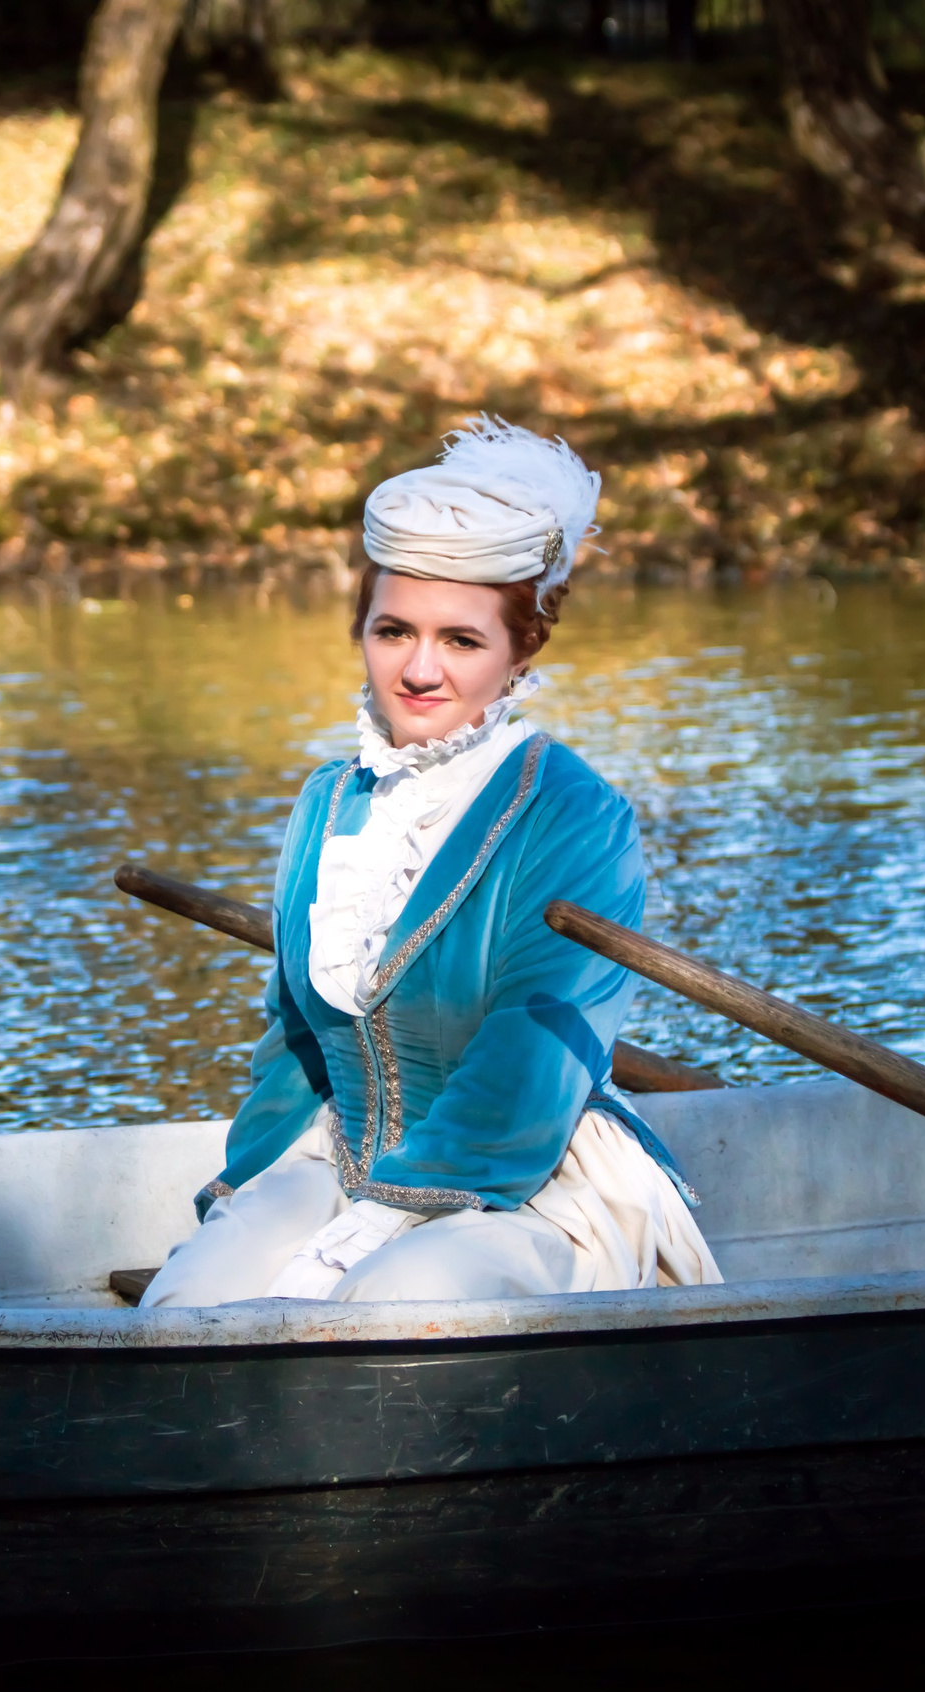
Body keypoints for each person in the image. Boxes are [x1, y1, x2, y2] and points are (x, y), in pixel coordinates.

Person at [142, 417, 721, 1307]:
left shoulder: (574, 814)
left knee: (381, 1305)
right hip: (343, 1152)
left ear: (521, 648)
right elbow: (293, 1042)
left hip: (534, 1181)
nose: (417, 669)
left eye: (460, 639)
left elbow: (524, 1071)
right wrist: (242, 1200)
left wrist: (363, 1235)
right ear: (361, 631)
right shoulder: (328, 801)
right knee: (186, 1309)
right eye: (392, 631)